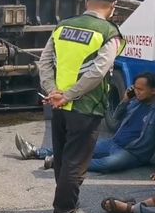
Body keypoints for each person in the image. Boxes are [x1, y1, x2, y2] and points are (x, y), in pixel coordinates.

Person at [37, 0, 126, 213]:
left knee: (64, 158)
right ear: (112, 6)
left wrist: (53, 91)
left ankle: (64, 203)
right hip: (85, 108)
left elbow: (44, 62)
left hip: (57, 106)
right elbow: (99, 71)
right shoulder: (109, 32)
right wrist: (68, 95)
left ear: (87, 2)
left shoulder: (63, 25)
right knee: (76, 163)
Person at [16, 72, 155, 171]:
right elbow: (116, 117)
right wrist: (125, 100)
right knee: (80, 148)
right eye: (135, 88)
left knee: (107, 165)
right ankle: (36, 152)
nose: (136, 92)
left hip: (132, 152)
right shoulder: (136, 103)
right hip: (114, 142)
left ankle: (60, 162)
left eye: (140, 89)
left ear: (153, 91)